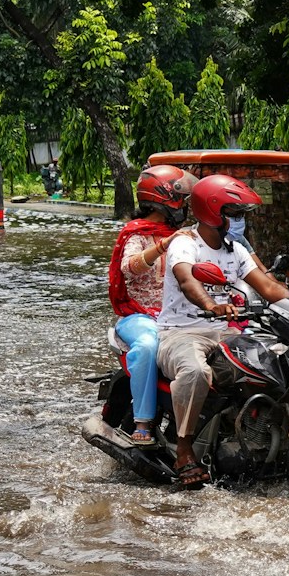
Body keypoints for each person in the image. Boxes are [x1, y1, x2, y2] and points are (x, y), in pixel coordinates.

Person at [156, 173, 289, 489]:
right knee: (195, 373)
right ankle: (185, 450)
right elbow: (188, 280)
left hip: (225, 331)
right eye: (235, 214)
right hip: (181, 332)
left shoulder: (236, 250)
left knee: (275, 361)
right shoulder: (185, 243)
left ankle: (256, 436)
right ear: (212, 212)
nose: (240, 221)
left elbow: (269, 287)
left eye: (242, 215)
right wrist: (212, 304)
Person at [108, 164, 195, 446]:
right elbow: (130, 267)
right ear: (163, 198)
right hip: (140, 315)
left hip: (181, 314)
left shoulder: (187, 234)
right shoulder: (137, 234)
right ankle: (143, 420)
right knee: (147, 345)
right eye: (181, 198)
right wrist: (162, 245)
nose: (184, 205)